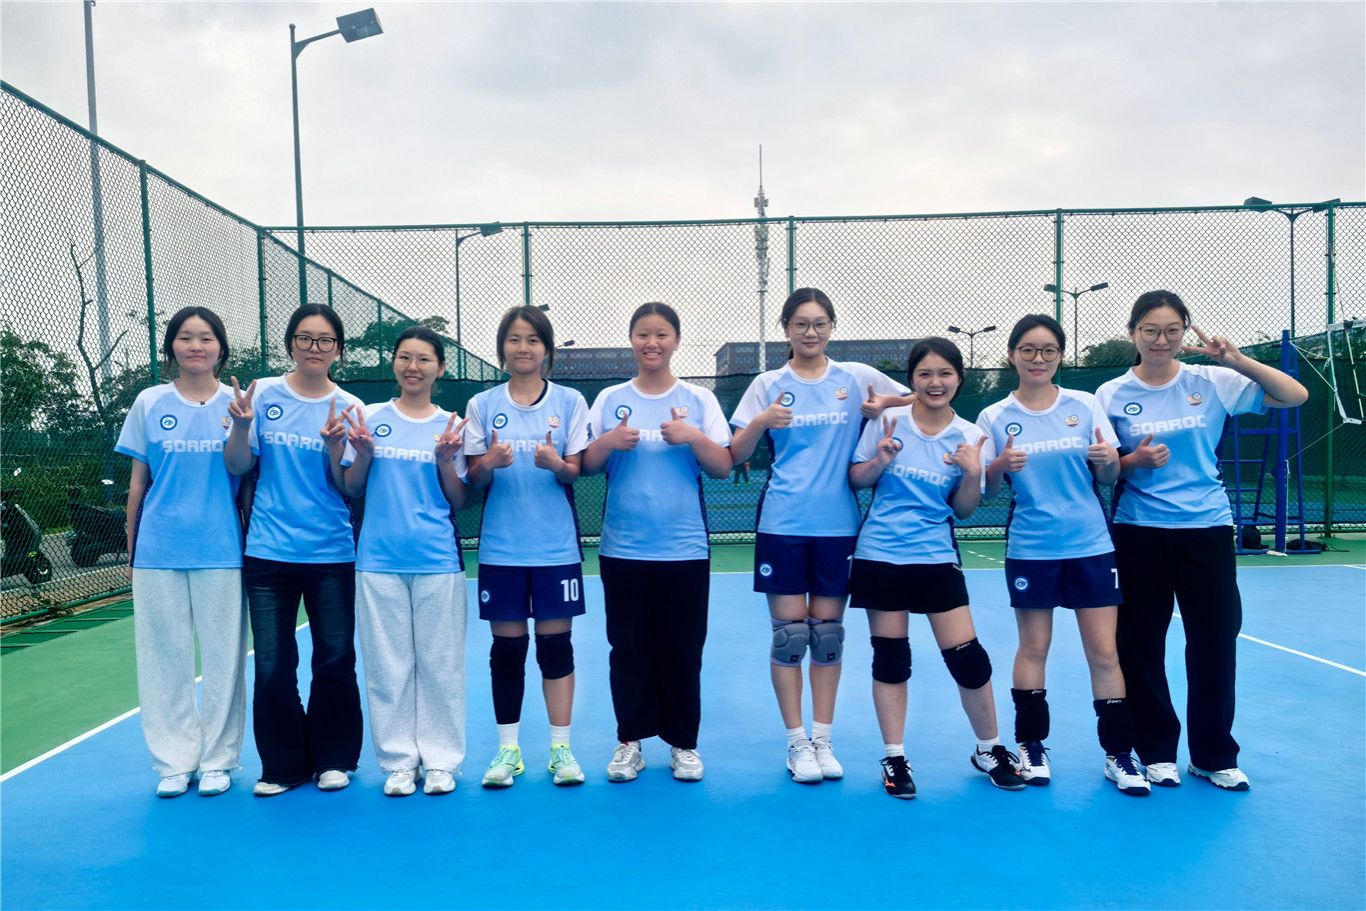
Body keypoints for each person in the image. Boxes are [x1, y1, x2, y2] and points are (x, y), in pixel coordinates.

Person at [1096, 290, 1307, 791]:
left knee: (1214, 641)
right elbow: (1103, 471)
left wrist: (1238, 360)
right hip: (1139, 530)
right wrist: (1133, 462)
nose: (1161, 340)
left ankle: (1213, 755)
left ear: (1185, 333)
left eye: (1172, 330)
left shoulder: (1213, 381)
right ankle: (1155, 751)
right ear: (1133, 333)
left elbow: (1294, 396)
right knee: (1141, 644)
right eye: (1150, 330)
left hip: (1207, 528)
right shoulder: (1110, 394)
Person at [729, 287, 908, 784]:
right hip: (783, 524)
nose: (810, 332)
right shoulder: (767, 383)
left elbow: (923, 397)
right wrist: (761, 421)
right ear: (786, 328)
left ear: (831, 327)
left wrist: (885, 403)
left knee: (827, 638)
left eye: (819, 323)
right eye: (801, 324)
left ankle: (823, 740)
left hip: (838, 527)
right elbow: (736, 452)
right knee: (789, 638)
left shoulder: (856, 377)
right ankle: (796, 743)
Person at [848, 337, 1026, 798]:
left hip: (935, 556)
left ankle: (989, 748)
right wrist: (881, 459)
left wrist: (973, 473)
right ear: (912, 380)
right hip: (881, 554)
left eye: (945, 373)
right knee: (892, 659)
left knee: (969, 659)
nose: (935, 382)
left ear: (958, 379)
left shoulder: (970, 435)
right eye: (925, 373)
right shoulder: (888, 422)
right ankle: (894, 757)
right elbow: (857, 478)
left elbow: (964, 509)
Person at [978, 314, 1148, 796]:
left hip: (1091, 546)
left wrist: (1109, 461)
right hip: (1032, 548)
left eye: (1048, 350)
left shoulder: (1085, 405)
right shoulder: (994, 416)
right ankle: (1031, 746)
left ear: (1059, 356)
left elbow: (1108, 475)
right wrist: (997, 465)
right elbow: (987, 491)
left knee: (1105, 651)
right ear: (1012, 355)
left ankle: (1119, 754)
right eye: (1029, 350)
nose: (1038, 359)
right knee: (1033, 648)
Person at [582, 302, 732, 782]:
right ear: (632, 340)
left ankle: (683, 743)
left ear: (676, 341)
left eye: (662, 334)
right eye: (643, 334)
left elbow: (722, 465)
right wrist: (607, 442)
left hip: (683, 549)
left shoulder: (699, 400)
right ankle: (630, 741)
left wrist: (693, 437)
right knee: (627, 648)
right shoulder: (609, 398)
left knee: (682, 649)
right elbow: (585, 464)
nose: (652, 343)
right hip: (622, 548)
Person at [225, 303, 365, 797]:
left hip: (331, 553)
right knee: (272, 662)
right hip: (269, 553)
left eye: (325, 340)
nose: (314, 347)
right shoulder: (262, 394)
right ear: (290, 344)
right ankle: (283, 765)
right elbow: (238, 465)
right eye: (305, 338)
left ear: (338, 350)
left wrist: (334, 448)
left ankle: (333, 759)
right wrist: (242, 425)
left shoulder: (350, 406)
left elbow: (349, 487)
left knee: (334, 658)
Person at [116, 306, 247, 798]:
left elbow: (245, 477)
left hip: (221, 550)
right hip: (159, 550)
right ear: (172, 345)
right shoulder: (149, 401)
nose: (196, 345)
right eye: (186, 337)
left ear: (220, 348)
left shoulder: (238, 403)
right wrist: (133, 544)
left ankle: (218, 760)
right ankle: (173, 761)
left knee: (224, 660)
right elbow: (138, 482)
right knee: (163, 660)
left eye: (206, 337)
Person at [336, 327, 469, 797]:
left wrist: (446, 461)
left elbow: (457, 500)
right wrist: (364, 455)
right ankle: (398, 762)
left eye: (424, 359)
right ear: (394, 363)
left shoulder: (453, 425)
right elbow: (352, 487)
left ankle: (441, 761)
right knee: (387, 667)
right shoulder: (368, 417)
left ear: (440, 368)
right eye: (405, 357)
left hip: (437, 560)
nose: (413, 367)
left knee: (440, 666)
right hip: (377, 561)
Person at [464, 306, 590, 788]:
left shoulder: (570, 401)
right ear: (502, 349)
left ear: (546, 350)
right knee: (507, 651)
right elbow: (473, 478)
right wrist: (489, 463)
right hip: (502, 551)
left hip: (555, 550)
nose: (523, 347)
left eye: (533, 339)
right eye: (514, 339)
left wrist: (557, 464)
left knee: (556, 649)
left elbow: (575, 470)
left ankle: (561, 749)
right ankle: (508, 751)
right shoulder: (482, 404)